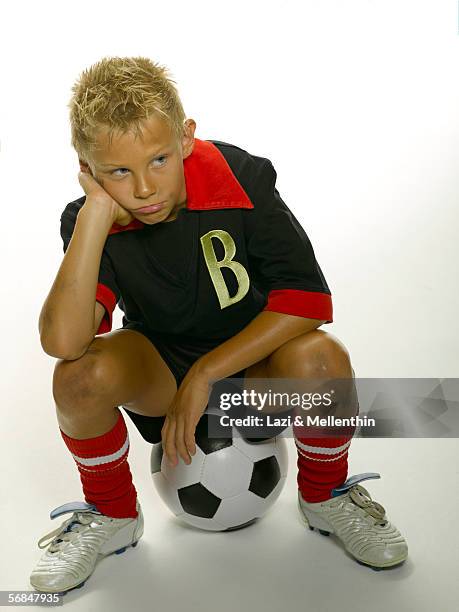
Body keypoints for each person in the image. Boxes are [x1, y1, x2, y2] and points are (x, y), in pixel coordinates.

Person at [30, 56, 408, 595]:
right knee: (77, 377)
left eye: (158, 159)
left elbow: (307, 301)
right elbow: (62, 342)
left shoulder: (242, 176)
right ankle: (112, 515)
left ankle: (326, 497)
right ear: (87, 167)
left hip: (254, 365)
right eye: (118, 171)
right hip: (160, 369)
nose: (142, 188)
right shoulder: (92, 215)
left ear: (186, 137)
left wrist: (207, 372)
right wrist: (93, 214)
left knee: (322, 358)